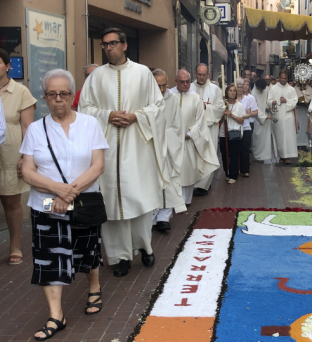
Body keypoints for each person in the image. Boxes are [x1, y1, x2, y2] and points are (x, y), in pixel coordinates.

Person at [20, 69, 108, 340]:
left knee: (87, 250)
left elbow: (98, 165)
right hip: (45, 202)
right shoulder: (36, 129)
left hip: (82, 200)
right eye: (52, 94)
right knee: (49, 257)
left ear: (72, 96)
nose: (58, 99)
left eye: (64, 94)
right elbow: (28, 171)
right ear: (45, 97)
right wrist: (58, 190)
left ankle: (94, 286)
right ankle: (56, 315)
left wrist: (69, 192)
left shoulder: (90, 124)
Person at [79, 28, 167, 277]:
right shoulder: (95, 77)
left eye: (113, 43)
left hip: (136, 148)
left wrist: (135, 116)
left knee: (136, 200)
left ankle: (144, 247)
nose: (109, 48)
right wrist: (107, 115)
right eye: (105, 44)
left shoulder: (142, 73)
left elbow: (158, 106)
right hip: (106, 149)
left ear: (125, 45)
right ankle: (120, 257)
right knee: (112, 205)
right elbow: (85, 108)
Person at [0, 48, 37, 265]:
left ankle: (15, 245)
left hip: (11, 152)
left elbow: (27, 128)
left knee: (11, 200)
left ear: (7, 66)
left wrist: (25, 157)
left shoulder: (21, 92)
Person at [168, 70, 218, 206]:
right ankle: (174, 200)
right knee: (173, 170)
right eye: (182, 82)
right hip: (171, 141)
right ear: (175, 82)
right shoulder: (169, 95)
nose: (185, 84)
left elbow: (200, 121)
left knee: (188, 170)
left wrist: (189, 134)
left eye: (187, 82)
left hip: (188, 140)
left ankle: (186, 200)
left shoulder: (195, 97)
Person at [151, 69, 186, 232]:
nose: (162, 90)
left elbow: (178, 126)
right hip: (150, 148)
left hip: (169, 148)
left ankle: (164, 217)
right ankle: (152, 217)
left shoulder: (172, 99)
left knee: (169, 182)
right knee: (152, 183)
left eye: (164, 85)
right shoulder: (145, 98)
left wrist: (165, 136)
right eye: (158, 86)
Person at [191, 63, 225, 197]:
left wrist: (206, 108)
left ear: (208, 75)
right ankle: (193, 183)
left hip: (210, 127)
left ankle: (204, 184)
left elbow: (221, 108)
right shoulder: (190, 88)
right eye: (199, 74)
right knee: (194, 155)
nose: (201, 77)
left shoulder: (215, 89)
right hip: (194, 128)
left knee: (207, 154)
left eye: (204, 74)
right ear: (195, 74)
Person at [267, 70, 299, 164]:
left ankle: (287, 156)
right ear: (279, 78)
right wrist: (272, 102)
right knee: (279, 136)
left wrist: (286, 101)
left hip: (288, 115)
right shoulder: (273, 88)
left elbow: (295, 101)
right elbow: (269, 100)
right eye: (282, 78)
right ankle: (281, 156)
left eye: (285, 78)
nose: (283, 80)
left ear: (287, 78)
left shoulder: (291, 89)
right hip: (278, 116)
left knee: (288, 136)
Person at [219, 85, 246, 183]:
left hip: (235, 132)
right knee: (224, 154)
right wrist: (222, 115)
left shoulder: (239, 105)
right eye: (230, 90)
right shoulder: (222, 104)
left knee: (234, 154)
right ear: (226, 92)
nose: (232, 92)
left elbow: (241, 120)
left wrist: (231, 115)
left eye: (234, 91)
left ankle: (233, 175)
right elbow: (219, 120)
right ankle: (227, 172)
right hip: (223, 133)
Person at [237, 78, 258, 177]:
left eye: (245, 85)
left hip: (247, 124)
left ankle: (245, 168)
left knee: (245, 147)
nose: (243, 87)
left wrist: (243, 116)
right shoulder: (233, 98)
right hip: (236, 126)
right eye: (241, 85)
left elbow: (253, 112)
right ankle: (237, 167)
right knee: (237, 148)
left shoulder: (249, 98)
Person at [251, 78, 274, 162]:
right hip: (258, 119)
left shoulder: (266, 89)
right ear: (257, 87)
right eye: (260, 89)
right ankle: (257, 155)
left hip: (266, 116)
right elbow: (255, 107)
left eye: (262, 89)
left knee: (266, 138)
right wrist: (264, 117)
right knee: (257, 137)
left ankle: (265, 154)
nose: (261, 91)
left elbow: (268, 101)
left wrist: (269, 107)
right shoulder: (253, 94)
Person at [295, 81, 312, 148]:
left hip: (306, 111)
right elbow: (294, 98)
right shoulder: (295, 88)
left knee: (305, 126)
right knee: (298, 126)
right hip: (298, 110)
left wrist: (306, 98)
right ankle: (297, 143)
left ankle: (306, 142)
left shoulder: (309, 88)